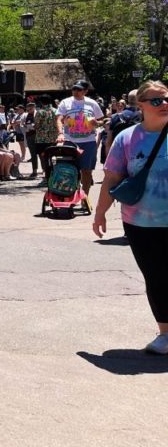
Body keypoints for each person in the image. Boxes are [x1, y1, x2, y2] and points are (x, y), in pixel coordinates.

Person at [94, 80, 168, 355]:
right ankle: (165, 333)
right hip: (140, 223)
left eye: (167, 98)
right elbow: (112, 177)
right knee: (157, 277)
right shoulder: (127, 138)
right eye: (157, 100)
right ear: (142, 106)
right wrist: (100, 212)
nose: (164, 104)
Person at [56, 80, 104, 199]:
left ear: (85, 91)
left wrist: (97, 123)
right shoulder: (65, 102)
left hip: (88, 141)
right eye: (74, 89)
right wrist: (60, 133)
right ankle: (69, 194)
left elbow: (103, 120)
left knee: (86, 171)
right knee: (69, 169)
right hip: (70, 141)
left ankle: (85, 197)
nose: (76, 92)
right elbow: (58, 119)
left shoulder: (92, 103)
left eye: (79, 89)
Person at [32, 94, 59, 182]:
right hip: (54, 138)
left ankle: (47, 176)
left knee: (44, 158)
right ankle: (54, 174)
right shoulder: (56, 111)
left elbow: (36, 126)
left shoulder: (40, 112)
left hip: (42, 139)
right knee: (53, 157)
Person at [23, 102, 39, 179]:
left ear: (34, 107)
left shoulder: (37, 114)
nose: (29, 110)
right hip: (29, 136)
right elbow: (23, 123)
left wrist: (32, 127)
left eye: (30, 108)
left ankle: (44, 171)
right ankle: (34, 171)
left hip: (37, 136)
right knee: (33, 154)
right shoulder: (26, 115)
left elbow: (39, 125)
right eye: (28, 108)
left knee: (41, 154)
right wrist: (25, 126)